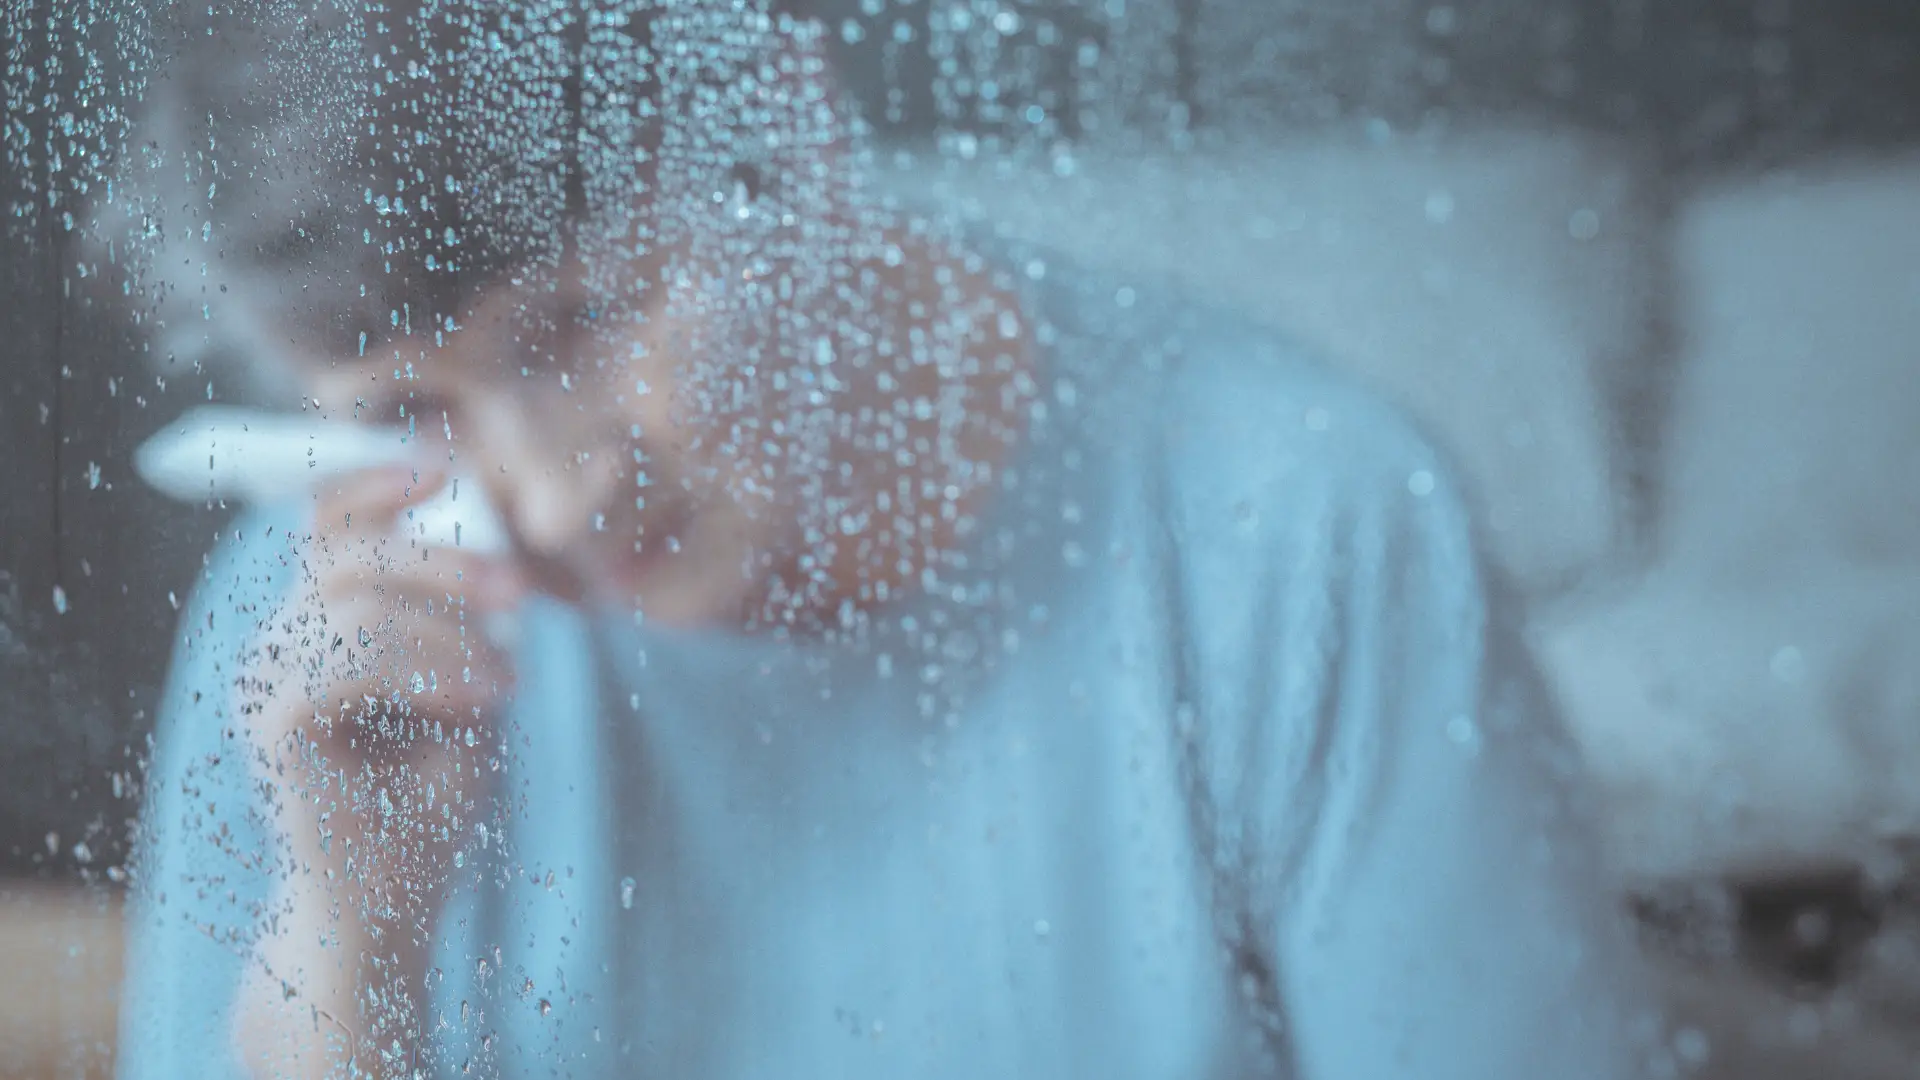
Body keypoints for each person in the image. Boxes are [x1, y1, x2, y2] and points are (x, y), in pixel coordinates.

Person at [104, 2, 1658, 1078]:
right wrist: (353, 938)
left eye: (583, 320)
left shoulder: (1298, 528)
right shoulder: (325, 643)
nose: (556, 497)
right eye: (408, 410)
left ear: (786, 113)